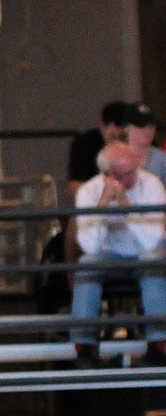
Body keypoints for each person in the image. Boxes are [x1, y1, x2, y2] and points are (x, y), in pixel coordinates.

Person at [69, 141, 166, 368]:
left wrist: (126, 207)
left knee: (153, 262)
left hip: (144, 254)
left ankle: (159, 344)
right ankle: (84, 347)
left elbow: (151, 241)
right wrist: (102, 207)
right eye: (126, 173)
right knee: (87, 265)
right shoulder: (87, 192)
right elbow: (89, 246)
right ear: (107, 175)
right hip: (106, 256)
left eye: (135, 169)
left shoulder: (152, 185)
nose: (134, 177)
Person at [67, 100, 131, 198]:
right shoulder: (84, 144)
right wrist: (105, 194)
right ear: (102, 127)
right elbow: (74, 187)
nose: (118, 143)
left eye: (123, 138)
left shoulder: (137, 142)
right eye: (113, 137)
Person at [124, 102, 166, 181]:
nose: (147, 130)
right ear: (127, 128)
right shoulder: (115, 158)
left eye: (151, 125)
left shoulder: (163, 160)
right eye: (141, 125)